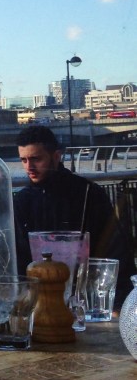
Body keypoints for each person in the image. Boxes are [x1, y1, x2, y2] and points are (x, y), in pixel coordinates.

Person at [14, 124, 135, 309]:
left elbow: (115, 254)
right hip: (39, 303)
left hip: (85, 301)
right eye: (23, 160)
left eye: (36, 159)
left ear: (56, 156)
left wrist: (119, 305)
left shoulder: (89, 194)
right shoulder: (21, 201)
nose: (29, 167)